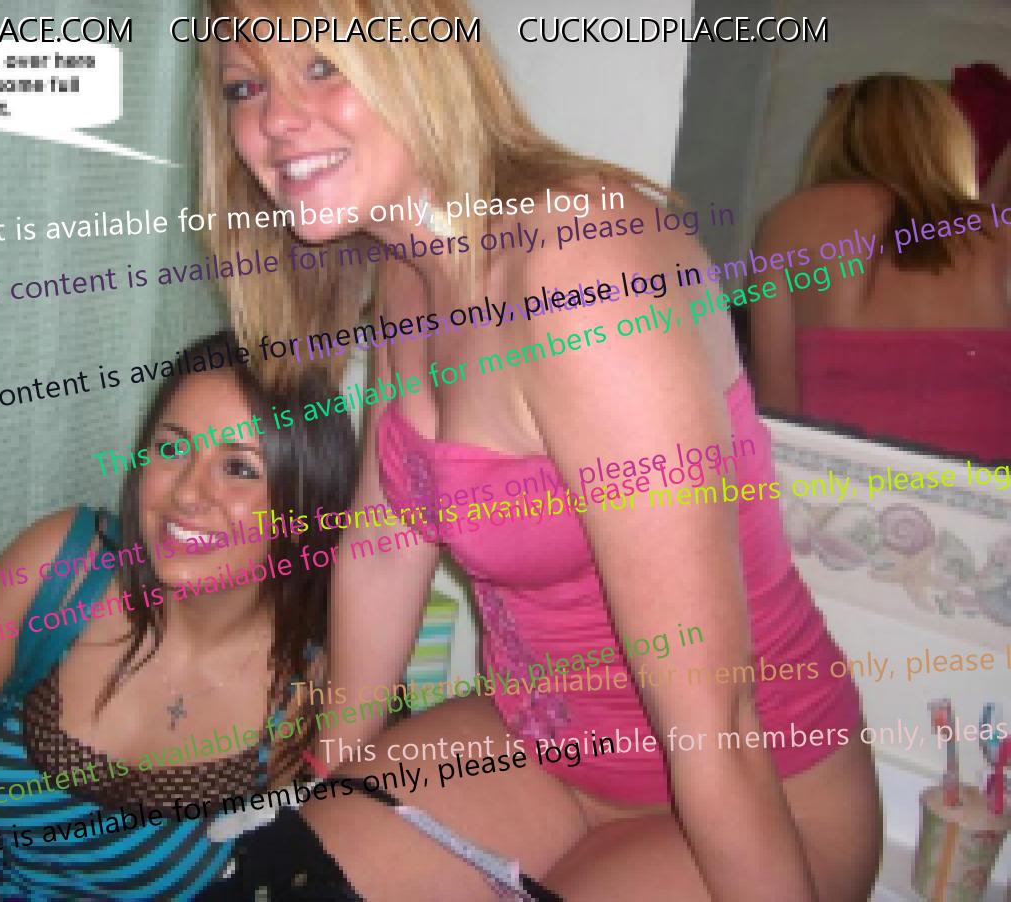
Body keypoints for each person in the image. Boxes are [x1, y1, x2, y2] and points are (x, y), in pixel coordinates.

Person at [197, 2, 881, 899]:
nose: (276, 120)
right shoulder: (406, 271)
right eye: (245, 87)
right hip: (542, 753)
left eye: (321, 66)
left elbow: (714, 712)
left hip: (759, 790)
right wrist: (332, 772)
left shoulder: (584, 266)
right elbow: (386, 541)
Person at [0, 330, 356, 900]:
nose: (187, 493)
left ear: (307, 500)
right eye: (172, 449)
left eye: (239, 468)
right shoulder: (60, 569)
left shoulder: (315, 695)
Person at [749, 73, 1011, 460]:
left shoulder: (789, 222)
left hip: (838, 484)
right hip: (981, 490)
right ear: (949, 144)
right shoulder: (1000, 236)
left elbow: (775, 408)